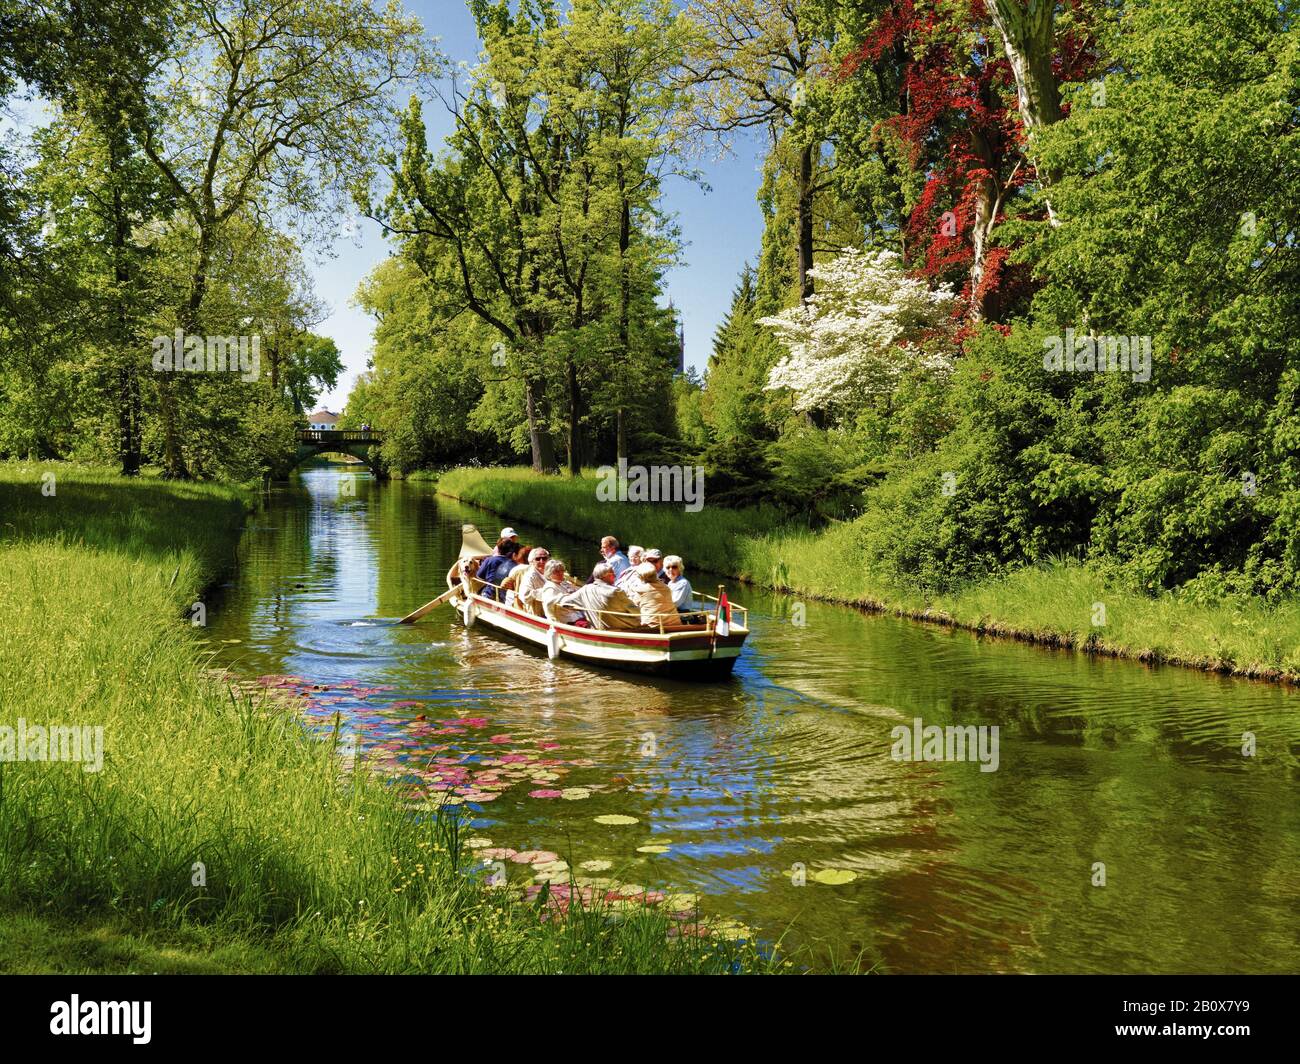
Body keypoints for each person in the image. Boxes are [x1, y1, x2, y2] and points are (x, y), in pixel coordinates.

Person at [561, 562, 641, 630]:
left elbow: (564, 602)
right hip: (623, 628)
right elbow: (636, 611)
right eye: (613, 574)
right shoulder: (615, 592)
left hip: (597, 628)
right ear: (606, 576)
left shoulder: (585, 589)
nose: (615, 576)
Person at [628, 561, 678, 628]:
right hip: (675, 625)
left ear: (641, 577)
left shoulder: (639, 590)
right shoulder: (666, 587)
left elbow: (631, 606)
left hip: (653, 628)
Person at [538, 559, 586, 626]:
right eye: (556, 571)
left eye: (562, 570)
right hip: (566, 621)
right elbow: (548, 603)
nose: (561, 573)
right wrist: (565, 597)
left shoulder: (562, 583)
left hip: (577, 616)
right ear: (549, 573)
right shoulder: (549, 587)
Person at [516, 547, 550, 615]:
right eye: (538, 559)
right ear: (532, 561)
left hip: (554, 611)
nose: (542, 561)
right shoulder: (529, 576)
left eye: (544, 558)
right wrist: (547, 591)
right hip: (539, 614)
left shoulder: (552, 572)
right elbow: (524, 596)